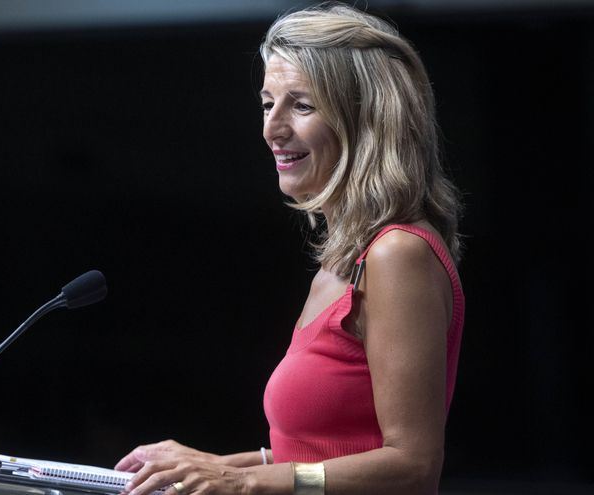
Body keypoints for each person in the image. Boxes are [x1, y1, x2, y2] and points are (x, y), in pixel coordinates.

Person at [115, 2, 465, 494]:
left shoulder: (397, 254)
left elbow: (410, 467)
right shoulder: (344, 263)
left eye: (301, 105)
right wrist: (206, 466)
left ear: (365, 120)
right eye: (267, 103)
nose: (272, 128)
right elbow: (320, 452)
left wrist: (241, 483)